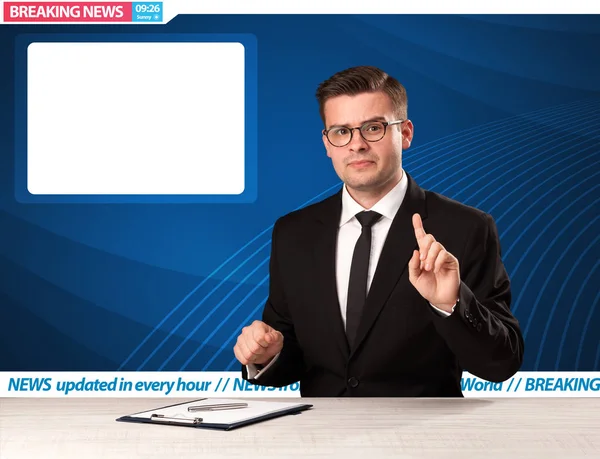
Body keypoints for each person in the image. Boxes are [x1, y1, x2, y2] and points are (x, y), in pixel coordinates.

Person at [233, 65, 524, 397]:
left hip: (422, 440)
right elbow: (293, 351)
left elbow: (500, 364)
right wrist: (267, 355)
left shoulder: (466, 228)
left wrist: (451, 304)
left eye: (373, 128)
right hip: (321, 439)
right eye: (341, 132)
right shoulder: (293, 233)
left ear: (406, 133)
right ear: (327, 144)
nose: (356, 145)